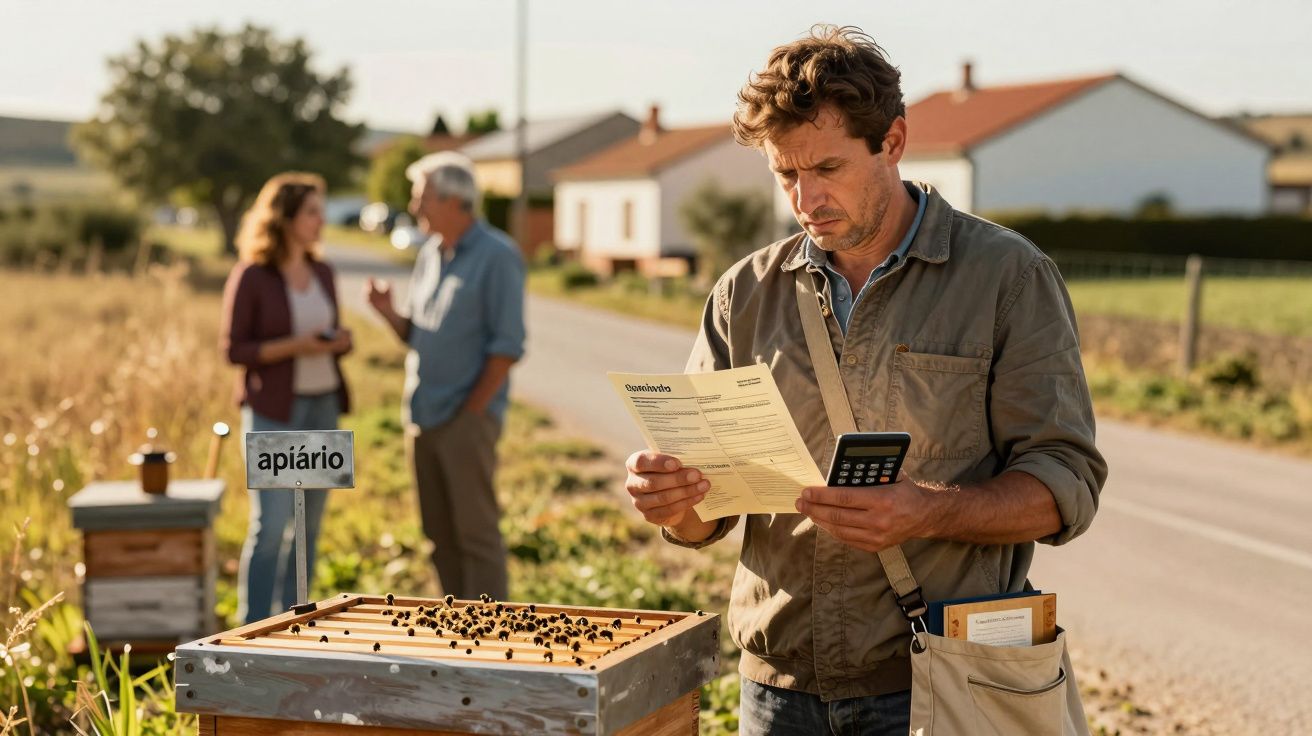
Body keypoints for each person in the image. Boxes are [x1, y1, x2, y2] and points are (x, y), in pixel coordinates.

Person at [622, 26, 1107, 735]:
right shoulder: (742, 294)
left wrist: (929, 511)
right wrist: (673, 502)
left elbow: (1067, 482)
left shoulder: (1008, 277)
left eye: (828, 167)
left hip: (941, 682)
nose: (806, 198)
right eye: (786, 174)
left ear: (894, 141)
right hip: (777, 691)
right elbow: (705, 514)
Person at [364, 152, 526, 601]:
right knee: (438, 534)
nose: (414, 207)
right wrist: (388, 313)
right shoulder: (431, 254)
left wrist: (472, 413)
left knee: (476, 535)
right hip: (422, 415)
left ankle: (490, 633)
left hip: (465, 420)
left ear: (455, 201)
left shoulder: (498, 257)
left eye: (422, 197)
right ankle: (457, 628)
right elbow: (418, 334)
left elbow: (508, 347)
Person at [220, 172, 352, 624]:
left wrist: (339, 341)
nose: (321, 220)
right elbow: (234, 350)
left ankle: (295, 621)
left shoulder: (324, 271)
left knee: (308, 528)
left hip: (323, 406)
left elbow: (331, 333)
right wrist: (298, 346)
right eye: (312, 212)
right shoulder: (252, 275)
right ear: (285, 217)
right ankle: (255, 626)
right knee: (271, 526)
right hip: (274, 411)